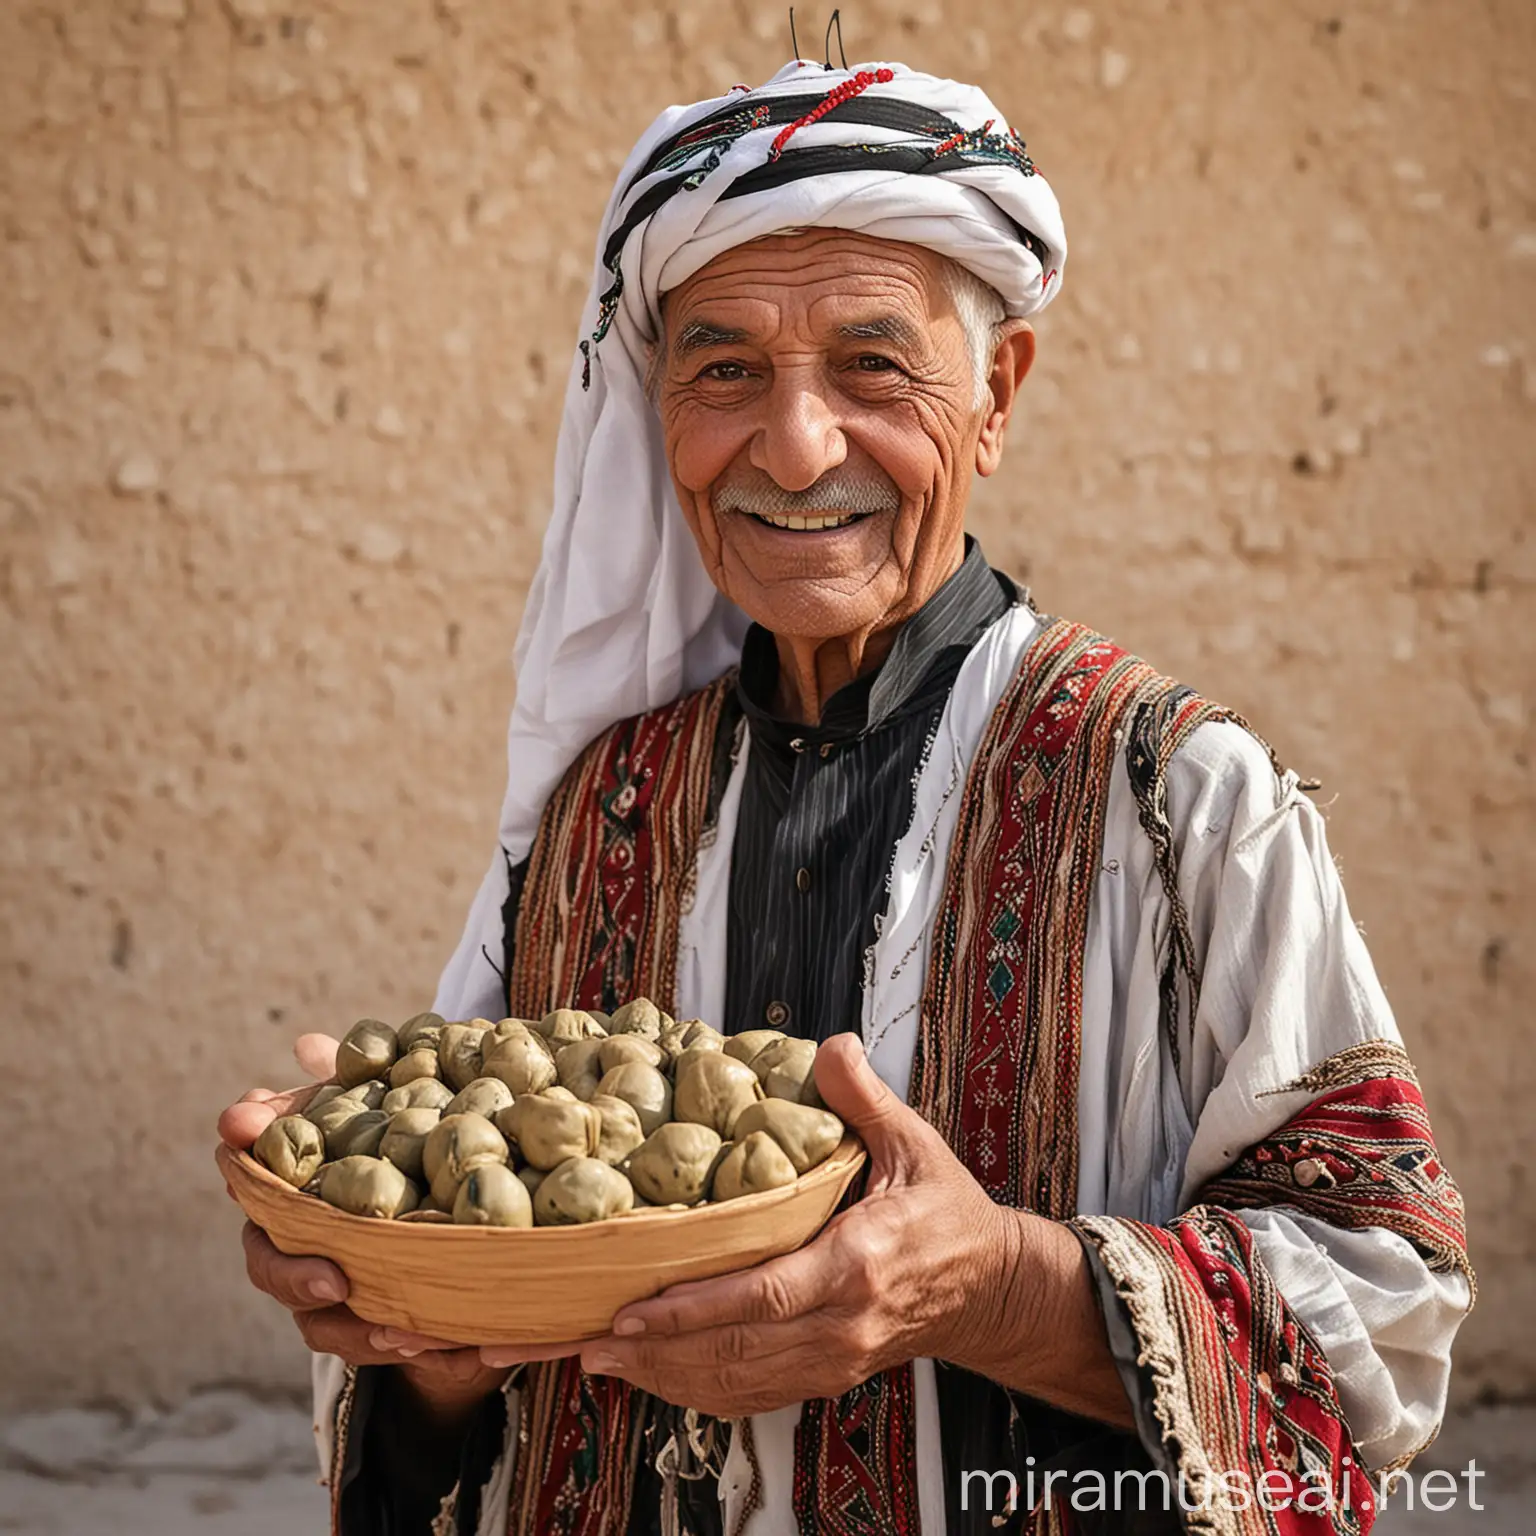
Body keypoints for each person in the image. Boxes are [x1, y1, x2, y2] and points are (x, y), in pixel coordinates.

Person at [219, 57, 1473, 1536]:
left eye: (874, 366)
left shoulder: (1178, 803)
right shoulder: (601, 810)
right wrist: (405, 1297)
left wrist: (993, 1286)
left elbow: (1385, 1331)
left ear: (995, 394)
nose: (796, 447)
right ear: (659, 403)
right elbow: (458, 1393)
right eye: (724, 367)